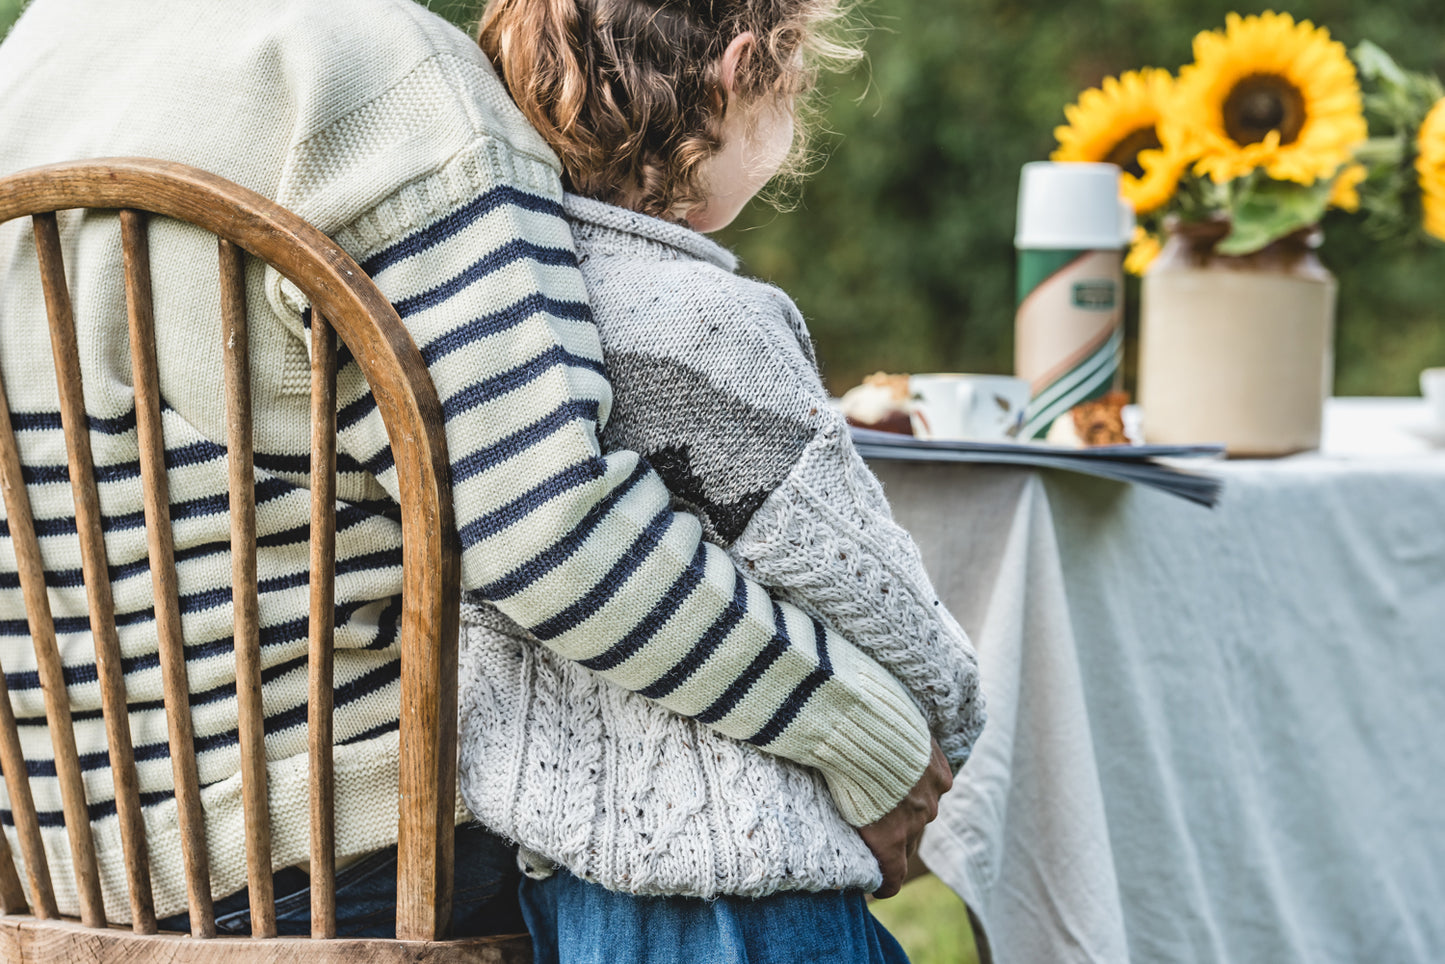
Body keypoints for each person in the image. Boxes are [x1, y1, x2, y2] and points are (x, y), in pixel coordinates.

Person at [0, 0, 951, 938]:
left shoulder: (34, 55)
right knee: (686, 781)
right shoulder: (383, 78)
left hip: (65, 863)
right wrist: (863, 736)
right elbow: (546, 534)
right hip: (346, 854)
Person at [456, 0, 985, 960]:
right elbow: (881, 607)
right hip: (749, 888)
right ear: (738, 73)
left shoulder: (487, 306)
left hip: (562, 894)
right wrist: (948, 715)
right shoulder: (712, 331)